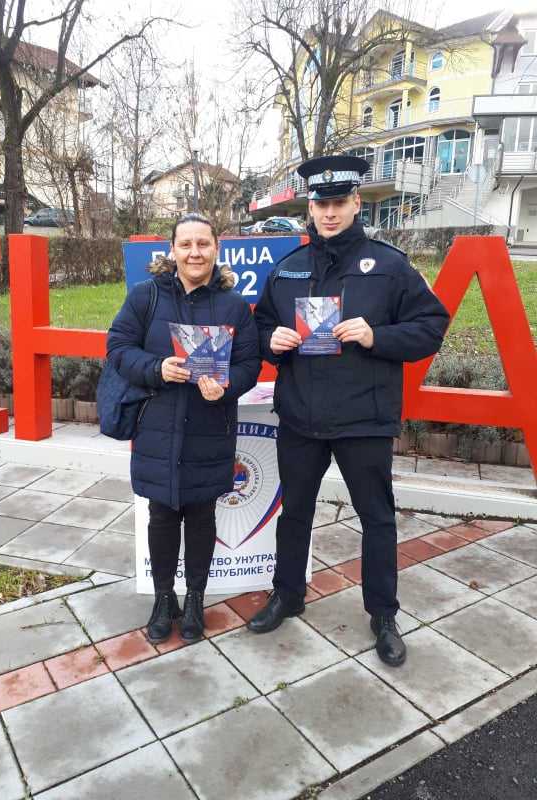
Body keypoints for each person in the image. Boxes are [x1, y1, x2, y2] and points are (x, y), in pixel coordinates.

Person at [249, 155, 450, 666]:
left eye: (339, 202)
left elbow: (432, 325)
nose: (330, 213)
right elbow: (259, 327)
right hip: (301, 417)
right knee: (294, 513)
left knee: (377, 518)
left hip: (364, 418)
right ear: (310, 208)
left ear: (357, 203)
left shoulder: (389, 266)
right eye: (321, 204)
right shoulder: (288, 268)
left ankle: (383, 614)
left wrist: (376, 335)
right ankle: (287, 594)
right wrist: (271, 340)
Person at [107, 213, 260, 644]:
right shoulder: (147, 297)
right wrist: (156, 367)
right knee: (161, 515)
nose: (195, 252)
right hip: (158, 426)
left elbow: (249, 364)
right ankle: (163, 599)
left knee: (201, 515)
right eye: (186, 244)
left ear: (217, 249)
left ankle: (194, 598)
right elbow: (118, 347)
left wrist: (227, 386)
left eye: (203, 244)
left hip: (210, 427)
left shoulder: (234, 306)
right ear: (172, 250)